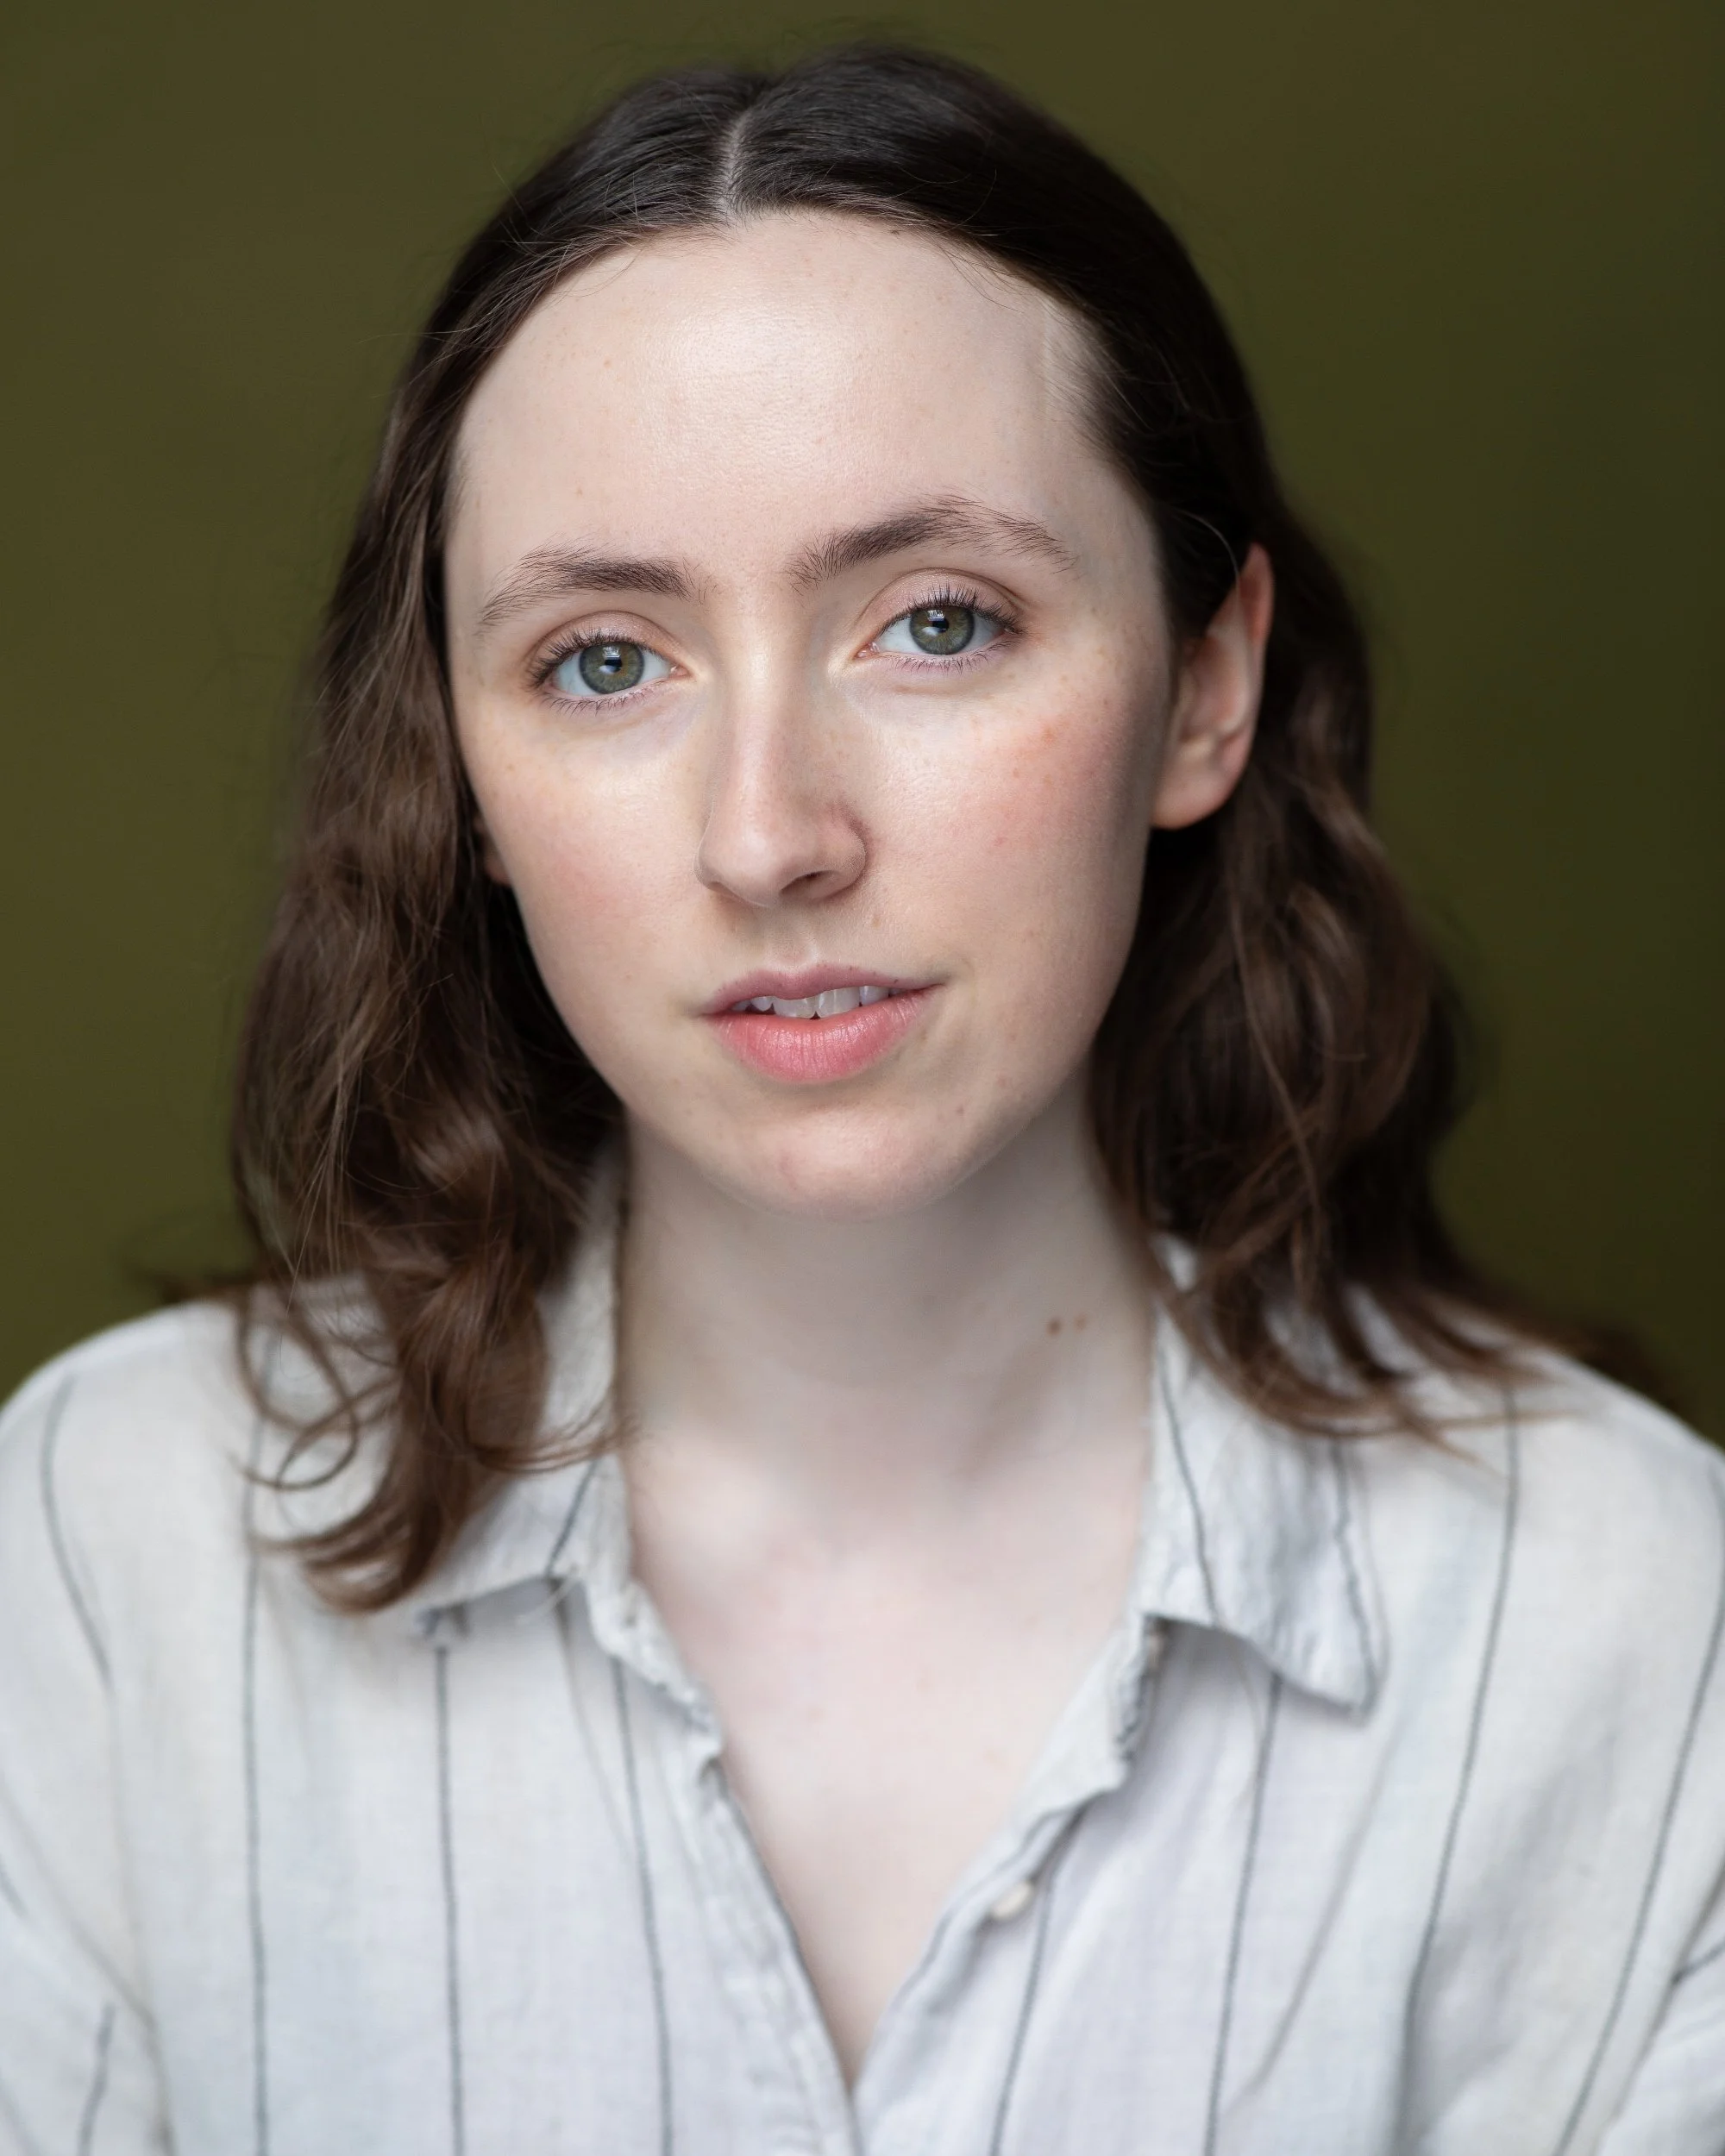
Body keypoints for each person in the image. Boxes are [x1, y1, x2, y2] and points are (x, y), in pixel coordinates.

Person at [0, 43, 1720, 2156]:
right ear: (460, 780)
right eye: (606, 660)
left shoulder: (1644, 1628)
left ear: (1202, 683)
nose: (770, 835)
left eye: (935, 621)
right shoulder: (104, 1551)